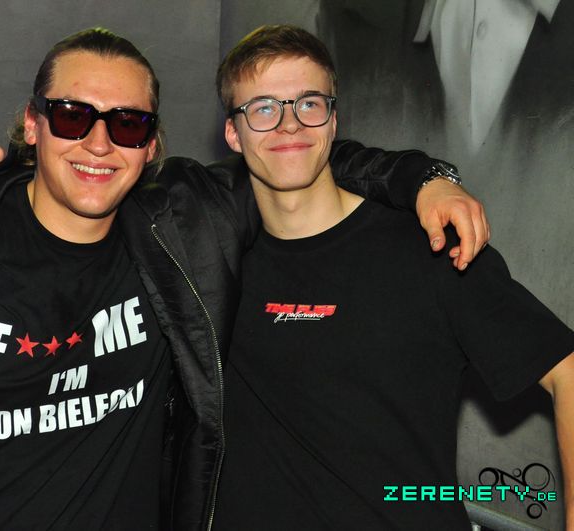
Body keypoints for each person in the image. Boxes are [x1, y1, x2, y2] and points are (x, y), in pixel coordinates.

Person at [0, 28, 487, 531]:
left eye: (127, 124)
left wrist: (426, 178)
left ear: (150, 147)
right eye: (72, 116)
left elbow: (292, 148)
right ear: (32, 124)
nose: (97, 142)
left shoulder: (187, 223)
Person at [207, 25, 573, 529]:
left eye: (309, 103)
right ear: (233, 132)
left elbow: (566, 369)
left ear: (333, 119)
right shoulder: (213, 260)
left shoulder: (429, 246)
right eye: (264, 108)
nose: (289, 124)